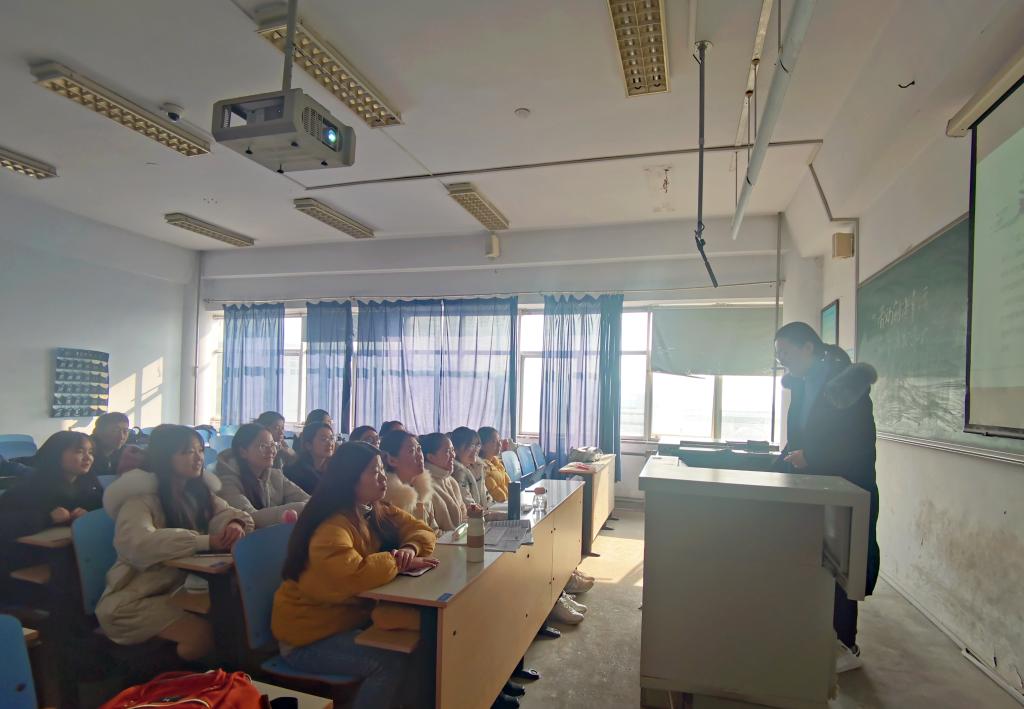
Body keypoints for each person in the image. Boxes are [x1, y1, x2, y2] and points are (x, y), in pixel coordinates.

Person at [272, 441, 438, 709]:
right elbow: (354, 575)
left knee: (421, 644)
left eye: (382, 470)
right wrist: (397, 561)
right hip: (309, 637)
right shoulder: (331, 525)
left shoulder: (373, 508)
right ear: (350, 478)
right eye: (374, 471)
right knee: (388, 662)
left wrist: (410, 548)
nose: (383, 477)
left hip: (348, 621)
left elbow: (421, 530)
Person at [773, 321, 880, 672]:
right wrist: (781, 463)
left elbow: (858, 444)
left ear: (808, 347)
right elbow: (801, 436)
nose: (782, 359)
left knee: (843, 568)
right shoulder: (803, 383)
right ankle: (818, 633)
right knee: (816, 563)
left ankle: (845, 644)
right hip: (815, 485)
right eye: (778, 354)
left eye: (786, 351)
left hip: (849, 488)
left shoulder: (847, 384)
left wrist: (813, 457)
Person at [96, 425, 253, 661]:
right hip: (132, 602)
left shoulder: (197, 491)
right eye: (188, 451)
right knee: (203, 635)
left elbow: (232, 513)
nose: (198, 457)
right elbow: (139, 544)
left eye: (200, 450)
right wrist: (204, 541)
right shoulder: (139, 500)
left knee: (233, 617)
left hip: (179, 591)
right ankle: (172, 677)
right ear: (165, 456)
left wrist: (235, 524)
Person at [0, 431, 102, 541]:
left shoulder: (91, 484)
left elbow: (102, 511)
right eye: (79, 451)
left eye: (90, 452)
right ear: (56, 455)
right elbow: (6, 524)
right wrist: (48, 518)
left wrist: (89, 516)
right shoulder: (30, 488)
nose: (88, 458)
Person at [215, 423, 308, 528]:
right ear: (243, 452)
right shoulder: (225, 482)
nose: (271, 451)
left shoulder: (275, 475)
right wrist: (299, 508)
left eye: (272, 445)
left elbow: (309, 500)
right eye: (263, 446)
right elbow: (249, 518)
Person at [379, 430, 436, 529]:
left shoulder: (422, 490)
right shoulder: (386, 500)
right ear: (392, 460)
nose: (420, 456)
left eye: (419, 449)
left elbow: (435, 530)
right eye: (411, 451)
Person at [419, 433, 467, 532]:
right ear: (431, 457)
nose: (453, 455)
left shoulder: (451, 481)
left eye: (453, 450)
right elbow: (431, 532)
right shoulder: (423, 485)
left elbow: (464, 516)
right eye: (447, 451)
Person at [284, 422, 337, 495]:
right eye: (323, 439)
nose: (330, 443)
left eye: (331, 438)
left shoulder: (334, 469)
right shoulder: (295, 473)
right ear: (308, 445)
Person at [450, 427, 488, 507]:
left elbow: (487, 500)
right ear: (455, 449)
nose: (475, 450)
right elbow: (469, 506)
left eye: (477, 445)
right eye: (471, 445)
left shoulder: (476, 468)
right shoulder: (456, 473)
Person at [90, 412, 130, 476]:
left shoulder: (127, 453)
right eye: (115, 430)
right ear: (99, 431)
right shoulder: (86, 453)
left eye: (125, 431)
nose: (121, 436)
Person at [478, 427, 511, 503]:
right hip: (497, 505)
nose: (499, 444)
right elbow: (496, 494)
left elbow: (509, 483)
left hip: (506, 502)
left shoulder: (496, 462)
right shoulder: (481, 467)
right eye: (494, 441)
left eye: (499, 441)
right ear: (482, 446)